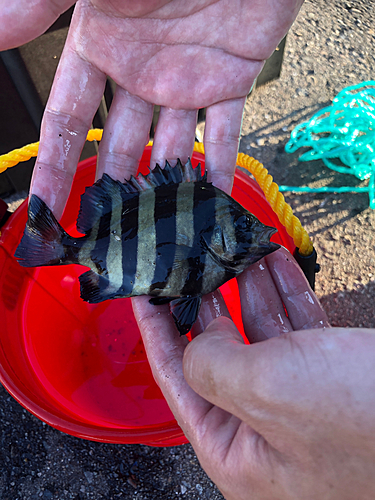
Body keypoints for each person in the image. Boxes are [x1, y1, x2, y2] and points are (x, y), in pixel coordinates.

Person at [2, 2, 375, 498]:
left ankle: (63, 247)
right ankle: (60, 247)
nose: (255, 233)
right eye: (241, 228)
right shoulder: (211, 244)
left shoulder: (213, 239)